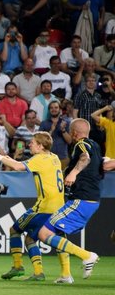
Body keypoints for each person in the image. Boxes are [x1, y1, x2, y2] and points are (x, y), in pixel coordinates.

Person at [0, 132, 69, 282]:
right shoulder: (54, 157)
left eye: (32, 142)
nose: (29, 144)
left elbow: (18, 167)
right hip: (59, 206)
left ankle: (18, 266)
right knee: (32, 238)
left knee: (14, 230)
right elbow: (20, 163)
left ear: (40, 146)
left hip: (44, 207)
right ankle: (57, 273)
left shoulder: (39, 159)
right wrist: (7, 157)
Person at [37, 119, 102, 280]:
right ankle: (66, 275)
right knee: (58, 233)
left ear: (74, 133)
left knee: (44, 233)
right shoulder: (96, 145)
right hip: (91, 199)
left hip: (81, 199)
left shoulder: (81, 145)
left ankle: (87, 256)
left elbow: (85, 158)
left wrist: (73, 173)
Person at [40, 101, 72, 169]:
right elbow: (41, 141)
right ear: (49, 110)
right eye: (51, 108)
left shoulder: (66, 122)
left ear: (60, 109)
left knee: (63, 178)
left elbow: (70, 141)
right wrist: (51, 130)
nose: (53, 109)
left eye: (56, 107)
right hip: (48, 157)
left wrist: (63, 130)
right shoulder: (44, 123)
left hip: (63, 157)